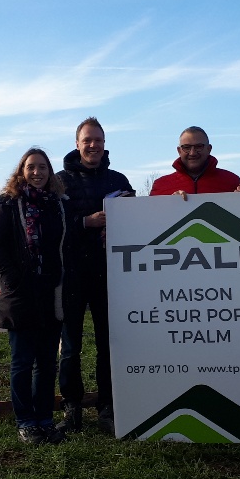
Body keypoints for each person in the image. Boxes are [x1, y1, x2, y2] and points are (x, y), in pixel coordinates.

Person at [0, 148, 73, 445]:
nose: (37, 172)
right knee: (22, 362)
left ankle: (45, 421)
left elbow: (66, 242)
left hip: (51, 293)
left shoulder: (59, 205)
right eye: (31, 167)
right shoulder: (8, 204)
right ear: (21, 171)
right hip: (20, 294)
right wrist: (12, 277)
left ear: (50, 172)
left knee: (47, 362)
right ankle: (25, 423)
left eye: (43, 168)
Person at [56, 117, 134, 434]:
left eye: (98, 140)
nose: (93, 145)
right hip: (72, 275)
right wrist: (86, 223)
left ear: (105, 143)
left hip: (110, 275)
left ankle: (107, 407)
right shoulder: (58, 181)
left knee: (109, 345)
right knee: (71, 347)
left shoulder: (119, 179)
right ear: (77, 144)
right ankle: (72, 408)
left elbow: (137, 226)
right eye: (87, 140)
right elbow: (53, 227)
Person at [150, 126, 240, 196]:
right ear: (179, 151)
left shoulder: (231, 181)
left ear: (209, 149)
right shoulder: (160, 186)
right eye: (186, 147)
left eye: (198, 147)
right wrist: (170, 204)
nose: (192, 153)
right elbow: (151, 218)